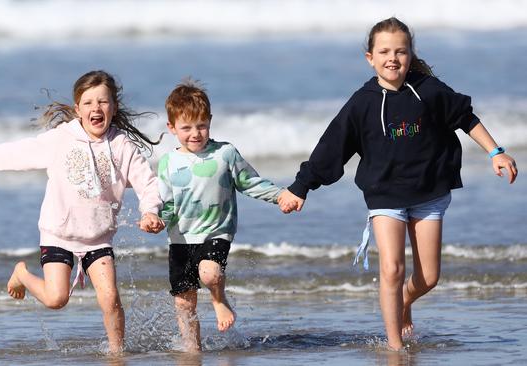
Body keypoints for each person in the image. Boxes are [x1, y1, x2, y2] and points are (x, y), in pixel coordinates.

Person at [278, 17, 518, 351]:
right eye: (385, 51)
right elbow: (332, 148)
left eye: (401, 51)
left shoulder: (428, 90)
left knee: (429, 277)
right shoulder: (361, 103)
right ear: (370, 58)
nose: (393, 58)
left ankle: (404, 302)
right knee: (391, 269)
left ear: (410, 55)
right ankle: (394, 347)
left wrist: (495, 151)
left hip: (428, 192)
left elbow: (465, 117)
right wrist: (300, 186)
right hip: (384, 194)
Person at [0, 70, 165, 354]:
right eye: (88, 103)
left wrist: (150, 211)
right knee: (55, 299)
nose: (95, 108)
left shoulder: (122, 146)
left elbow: (147, 183)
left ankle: (116, 354)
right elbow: (14, 154)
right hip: (58, 233)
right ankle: (22, 274)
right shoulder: (60, 139)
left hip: (98, 238)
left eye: (103, 102)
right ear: (77, 109)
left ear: (114, 107)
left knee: (110, 299)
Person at [157, 79, 283, 352]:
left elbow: (250, 182)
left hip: (216, 232)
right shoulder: (168, 162)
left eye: (201, 125)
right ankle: (192, 350)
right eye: (186, 127)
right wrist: (157, 219)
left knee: (210, 274)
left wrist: (279, 196)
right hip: (180, 239)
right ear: (171, 128)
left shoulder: (225, 153)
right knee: (184, 302)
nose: (195, 133)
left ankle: (218, 300)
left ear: (210, 121)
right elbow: (166, 203)